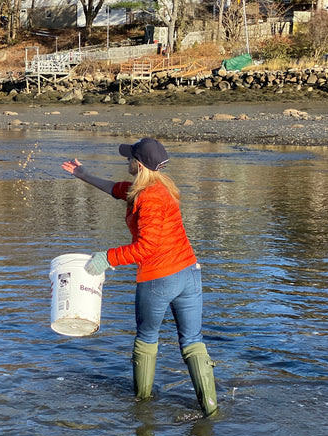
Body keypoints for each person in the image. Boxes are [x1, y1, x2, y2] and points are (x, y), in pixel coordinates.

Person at [61, 138, 217, 416]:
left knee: (147, 338)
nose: (127, 161)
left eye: (130, 157)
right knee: (193, 341)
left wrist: (106, 259)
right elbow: (116, 189)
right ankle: (211, 409)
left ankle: (142, 408)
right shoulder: (158, 187)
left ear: (139, 163)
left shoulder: (148, 198)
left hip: (160, 278)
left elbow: (147, 247)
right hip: (190, 273)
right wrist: (84, 175)